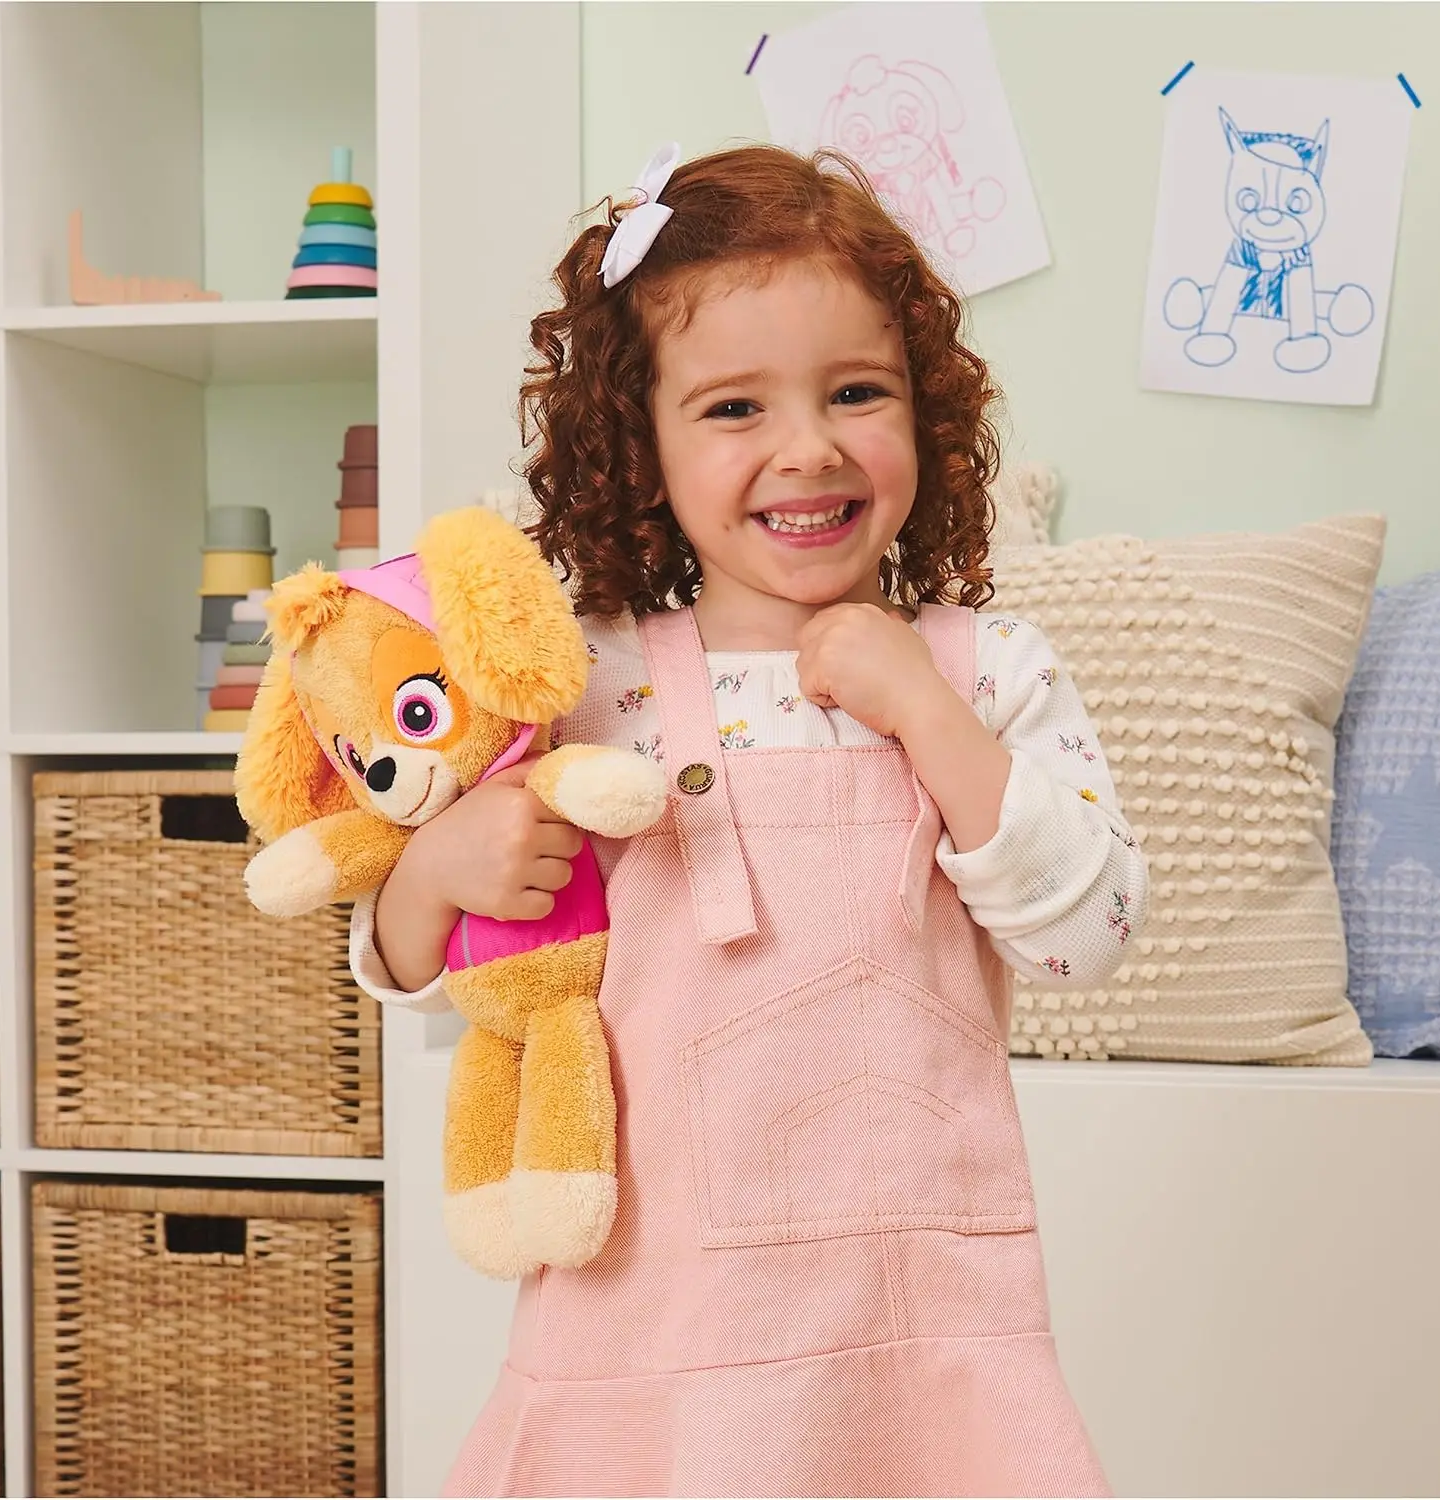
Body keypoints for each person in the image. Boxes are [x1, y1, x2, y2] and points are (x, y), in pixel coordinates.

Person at [352, 142, 1148, 1498]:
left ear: (925, 410)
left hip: (918, 1316)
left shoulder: (986, 672)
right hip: (653, 1309)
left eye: (857, 391)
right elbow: (436, 974)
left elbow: (1089, 933)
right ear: (641, 447)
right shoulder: (584, 685)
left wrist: (924, 713)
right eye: (734, 407)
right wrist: (432, 875)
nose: (810, 447)